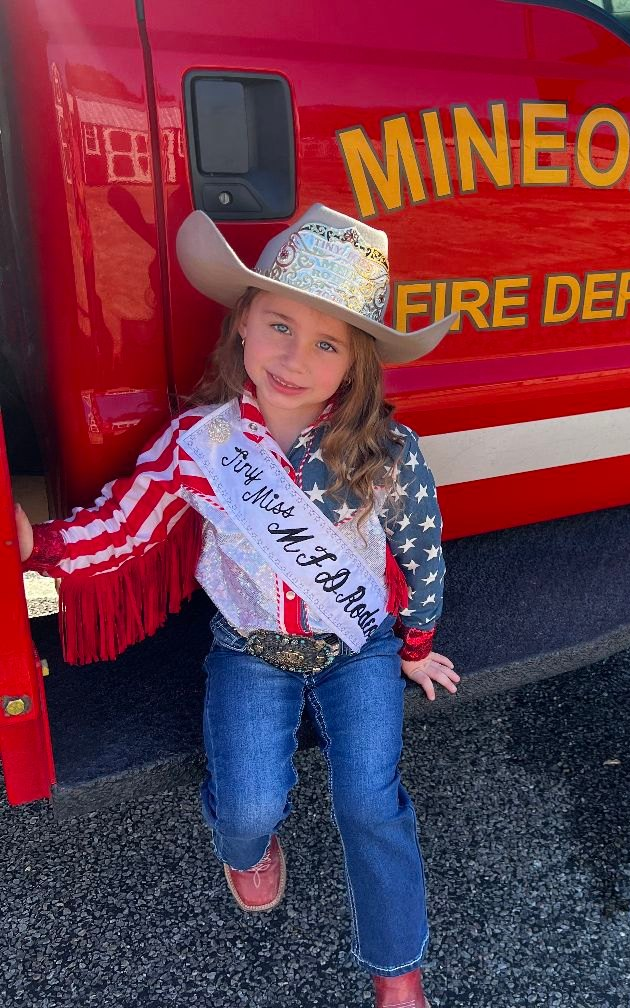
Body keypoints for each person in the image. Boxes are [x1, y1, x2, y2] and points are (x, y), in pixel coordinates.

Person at [16, 203, 462, 1008]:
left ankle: (398, 972)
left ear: (356, 365)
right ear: (241, 331)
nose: (295, 357)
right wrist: (36, 548)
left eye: (326, 343)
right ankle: (246, 845)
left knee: (371, 801)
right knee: (250, 805)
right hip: (250, 648)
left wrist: (415, 643)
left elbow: (421, 551)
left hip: (356, 646)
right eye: (279, 326)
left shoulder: (386, 451)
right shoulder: (200, 443)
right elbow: (124, 526)